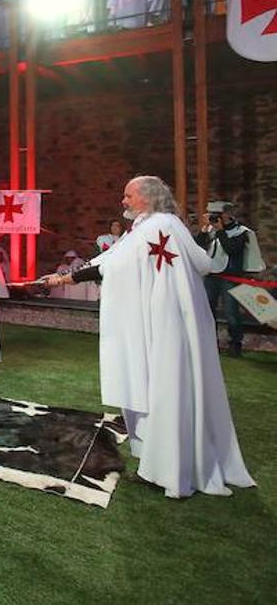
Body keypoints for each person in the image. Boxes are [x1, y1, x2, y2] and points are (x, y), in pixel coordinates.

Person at [40, 176, 254, 498]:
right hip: (172, 321)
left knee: (165, 387)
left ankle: (168, 469)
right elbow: (199, 262)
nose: (123, 201)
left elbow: (111, 267)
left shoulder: (156, 227)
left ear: (148, 198)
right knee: (167, 385)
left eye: (128, 195)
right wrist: (63, 278)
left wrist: (64, 279)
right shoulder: (163, 225)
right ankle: (167, 462)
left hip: (165, 322)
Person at [195, 201, 266, 357]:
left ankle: (235, 344)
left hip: (230, 276)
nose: (215, 218)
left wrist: (220, 231)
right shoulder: (210, 230)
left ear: (227, 214)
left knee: (231, 312)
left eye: (217, 215)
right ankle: (210, 343)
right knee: (208, 311)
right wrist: (204, 230)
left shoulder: (241, 232)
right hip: (211, 275)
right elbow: (198, 246)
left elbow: (232, 250)